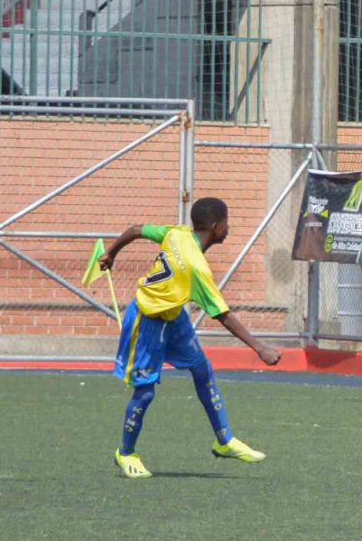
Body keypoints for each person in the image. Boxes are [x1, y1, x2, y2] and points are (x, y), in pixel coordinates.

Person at [95, 196, 282, 476]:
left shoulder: (177, 233)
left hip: (173, 316)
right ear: (216, 226)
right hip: (147, 319)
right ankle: (126, 453)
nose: (229, 228)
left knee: (201, 368)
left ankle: (224, 440)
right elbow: (222, 314)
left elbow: (135, 229)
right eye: (227, 223)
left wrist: (112, 253)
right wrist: (260, 348)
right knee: (145, 392)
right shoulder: (197, 267)